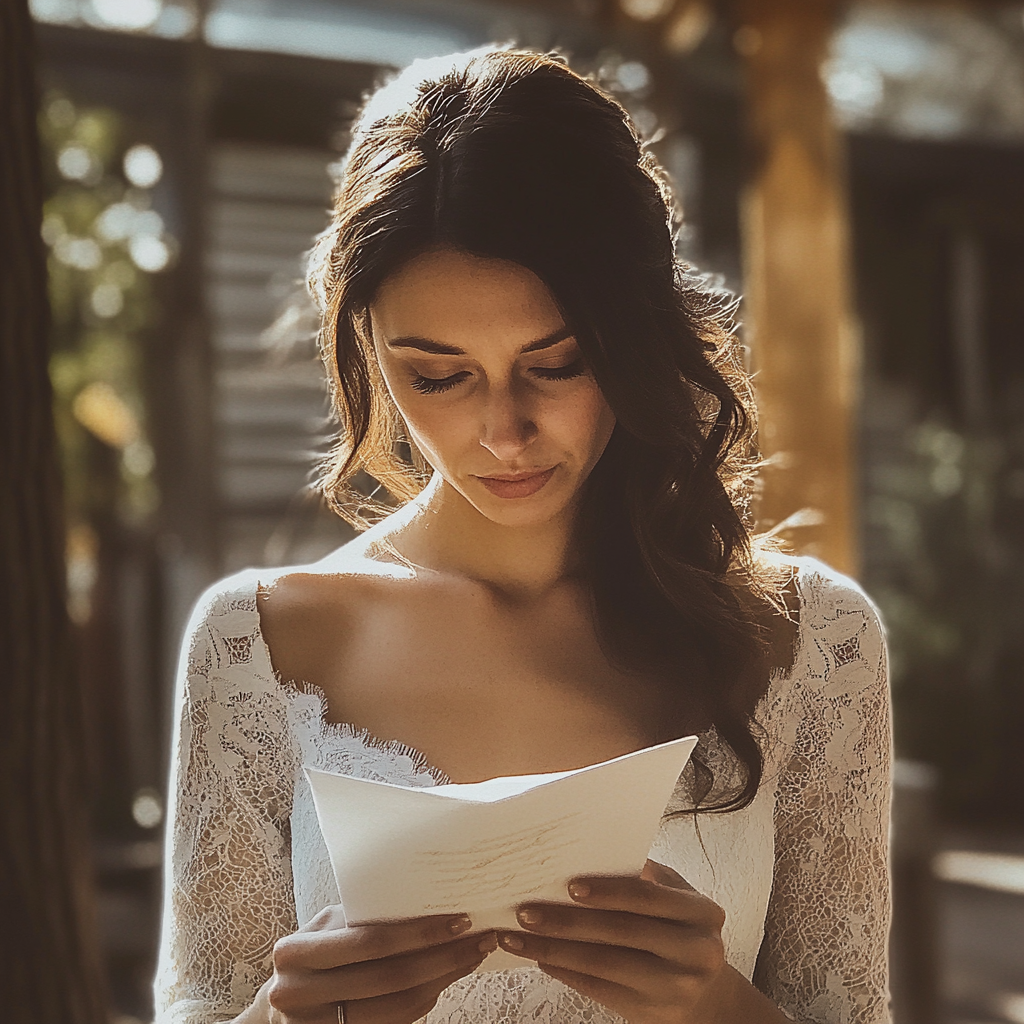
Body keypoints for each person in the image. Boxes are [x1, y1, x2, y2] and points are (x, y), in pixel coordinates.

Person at [154, 48, 891, 1024]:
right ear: (369, 350)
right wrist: (298, 1018)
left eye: (558, 362)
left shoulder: (807, 641)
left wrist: (713, 1005)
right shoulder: (260, 646)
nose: (503, 432)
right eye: (439, 375)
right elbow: (202, 1003)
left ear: (633, 332)